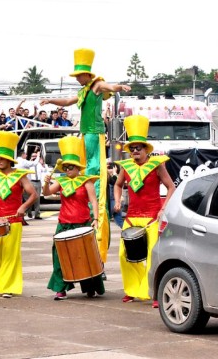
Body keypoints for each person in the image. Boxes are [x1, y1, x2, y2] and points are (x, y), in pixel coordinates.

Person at [40, 48, 131, 265]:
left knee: (95, 172)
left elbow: (110, 87)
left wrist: (120, 87)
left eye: (79, 75)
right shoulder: (82, 92)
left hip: (96, 134)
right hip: (86, 135)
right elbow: (68, 102)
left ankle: (97, 199)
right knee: (84, 167)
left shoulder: (96, 86)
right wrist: (50, 101)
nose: (78, 79)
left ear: (87, 75)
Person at [113, 115, 175, 308]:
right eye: (131, 148)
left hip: (151, 217)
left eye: (138, 148)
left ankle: (154, 293)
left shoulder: (157, 166)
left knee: (152, 257)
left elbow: (171, 187)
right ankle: (132, 290)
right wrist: (118, 199)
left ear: (146, 149)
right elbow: (117, 184)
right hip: (131, 217)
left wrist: (163, 209)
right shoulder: (126, 167)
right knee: (124, 256)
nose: (134, 151)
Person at [0, 131, 38, 298]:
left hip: (14, 220)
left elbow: (33, 194)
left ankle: (8, 286)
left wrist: (24, 207)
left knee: (10, 254)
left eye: (2, 159)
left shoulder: (20, 176)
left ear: (9, 160)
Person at [42, 136, 104, 300]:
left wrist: (96, 220)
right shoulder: (61, 182)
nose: (68, 169)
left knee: (86, 257)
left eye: (71, 167)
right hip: (64, 224)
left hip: (82, 224)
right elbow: (47, 193)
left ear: (78, 168)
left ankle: (90, 287)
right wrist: (46, 183)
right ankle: (61, 289)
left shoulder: (87, 182)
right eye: (66, 167)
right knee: (59, 257)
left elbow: (94, 202)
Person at [16, 149, 41, 220]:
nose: (26, 155)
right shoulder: (23, 161)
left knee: (22, 199)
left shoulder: (17, 161)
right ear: (22, 154)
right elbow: (34, 163)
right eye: (25, 154)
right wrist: (38, 156)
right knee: (28, 199)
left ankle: (24, 215)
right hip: (24, 183)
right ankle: (23, 214)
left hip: (19, 183)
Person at [107, 162, 123, 228]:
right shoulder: (109, 178)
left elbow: (116, 182)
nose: (107, 169)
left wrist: (114, 173)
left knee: (118, 220)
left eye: (109, 168)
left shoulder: (113, 177)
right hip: (115, 202)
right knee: (119, 221)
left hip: (112, 203)